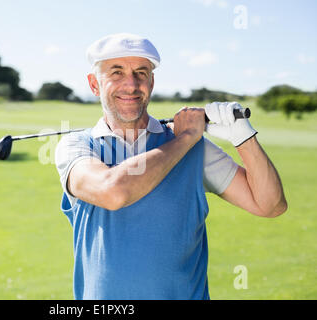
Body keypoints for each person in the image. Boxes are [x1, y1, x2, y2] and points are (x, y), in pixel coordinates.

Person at [55, 33, 287, 300]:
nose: (131, 85)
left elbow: (271, 205)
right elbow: (113, 192)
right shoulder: (77, 147)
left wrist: (243, 137)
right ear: (94, 84)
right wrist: (187, 138)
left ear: (151, 82)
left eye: (141, 73)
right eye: (116, 73)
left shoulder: (194, 149)